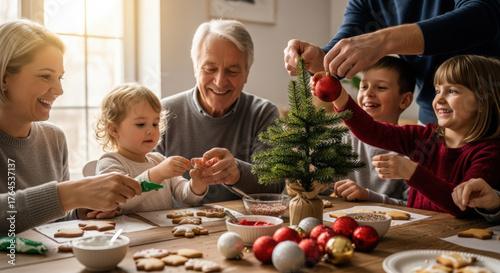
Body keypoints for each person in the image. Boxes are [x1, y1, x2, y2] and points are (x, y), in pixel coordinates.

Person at [0, 19, 142, 235]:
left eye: (59, 77)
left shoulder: (53, 138)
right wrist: (70, 194)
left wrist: (79, 211)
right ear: (4, 78)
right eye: (45, 76)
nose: (59, 89)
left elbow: (49, 221)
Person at [313, 54, 500, 218]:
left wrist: (413, 172)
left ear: (482, 102)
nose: (439, 99)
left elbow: (461, 205)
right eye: (437, 91)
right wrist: (337, 94)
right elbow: (371, 130)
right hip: (416, 235)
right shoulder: (424, 136)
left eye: (452, 91)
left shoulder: (488, 152)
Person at [283, 0, 500, 125]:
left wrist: (383, 41)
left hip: (490, 115)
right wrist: (318, 58)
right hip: (433, 122)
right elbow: (346, 45)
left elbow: (482, 19)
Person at [156, 19, 285, 204]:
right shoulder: (163, 112)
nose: (220, 81)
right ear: (195, 67)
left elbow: (275, 185)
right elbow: (142, 178)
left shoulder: (263, 113)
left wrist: (237, 174)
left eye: (232, 71)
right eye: (210, 69)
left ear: (247, 73)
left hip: (244, 227)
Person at [94, 83, 208, 215]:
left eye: (155, 124)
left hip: (163, 233)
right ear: (114, 129)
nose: (151, 131)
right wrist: (159, 173)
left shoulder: (159, 160)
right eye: (141, 124)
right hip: (129, 234)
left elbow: (186, 198)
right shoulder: (110, 162)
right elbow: (122, 199)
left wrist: (198, 182)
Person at [331, 56, 414, 206]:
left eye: (381, 87)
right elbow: (324, 191)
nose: (368, 93)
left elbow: (413, 205)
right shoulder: (342, 141)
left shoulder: (411, 149)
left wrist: (369, 196)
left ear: (404, 101)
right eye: (364, 87)